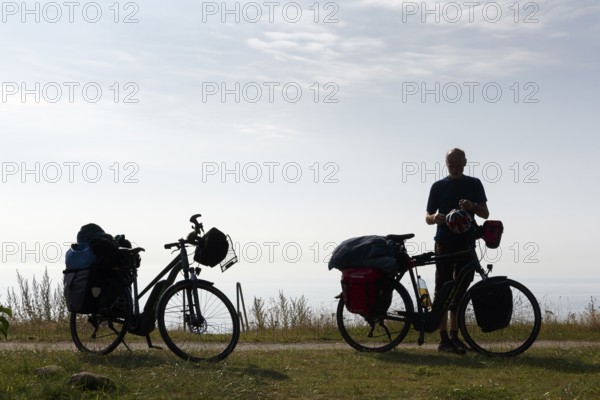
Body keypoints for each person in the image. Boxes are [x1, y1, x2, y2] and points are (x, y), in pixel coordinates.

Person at [425, 148, 489, 354]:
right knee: (442, 288)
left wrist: (472, 206)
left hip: (467, 243)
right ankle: (443, 339)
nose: (453, 167)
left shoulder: (474, 184)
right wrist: (434, 218)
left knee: (461, 289)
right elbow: (427, 216)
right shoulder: (438, 186)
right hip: (443, 242)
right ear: (446, 163)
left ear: (465, 162)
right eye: (450, 164)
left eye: (457, 163)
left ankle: (455, 336)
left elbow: (486, 213)